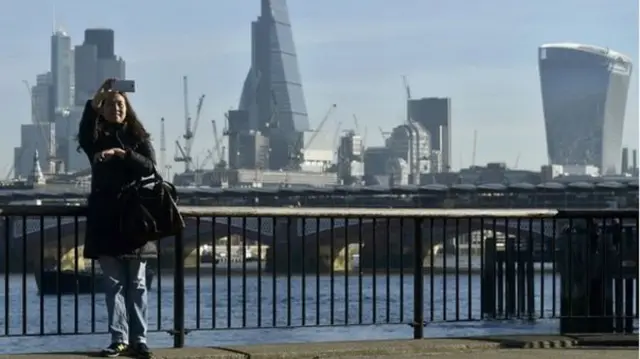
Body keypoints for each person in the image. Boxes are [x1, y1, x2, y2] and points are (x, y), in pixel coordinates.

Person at [77, 79, 157, 358]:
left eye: (121, 104)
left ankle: (140, 340)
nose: (116, 108)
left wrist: (124, 154)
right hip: (105, 217)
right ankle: (119, 339)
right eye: (111, 104)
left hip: (134, 217)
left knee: (136, 284)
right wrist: (100, 92)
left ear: (128, 108)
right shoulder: (95, 136)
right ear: (103, 108)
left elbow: (149, 167)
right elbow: (86, 121)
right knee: (114, 285)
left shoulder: (137, 135)